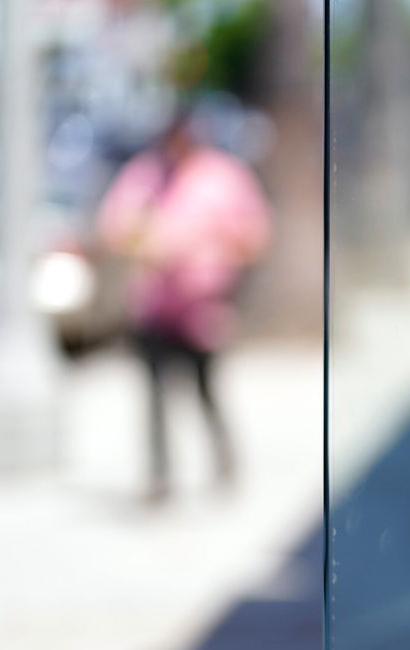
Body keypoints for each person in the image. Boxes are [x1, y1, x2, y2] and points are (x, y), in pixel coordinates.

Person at [96, 112, 271, 501]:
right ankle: (160, 478)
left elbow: (255, 235)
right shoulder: (144, 175)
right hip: (155, 306)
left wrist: (213, 244)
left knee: (206, 391)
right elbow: (112, 227)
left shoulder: (223, 176)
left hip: (203, 307)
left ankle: (224, 464)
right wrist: (144, 239)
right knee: (156, 398)